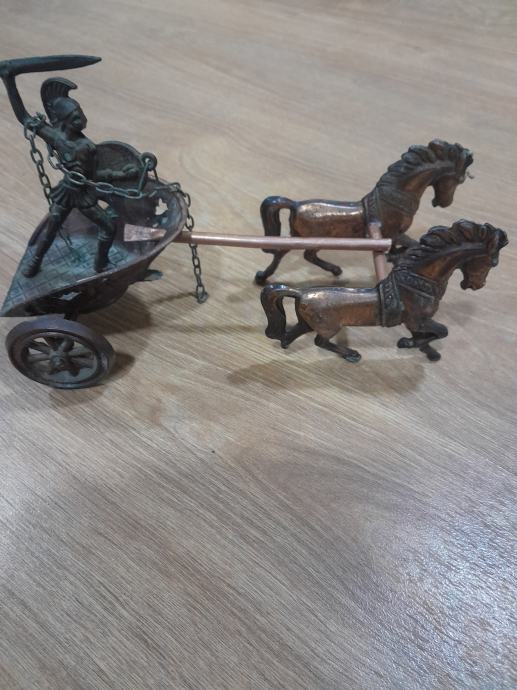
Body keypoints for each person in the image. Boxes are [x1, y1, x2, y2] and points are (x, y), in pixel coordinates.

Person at [2, 72, 138, 277]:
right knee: (54, 227)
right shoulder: (58, 138)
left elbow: (92, 176)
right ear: (64, 120)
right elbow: (24, 117)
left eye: (81, 114)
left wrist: (120, 175)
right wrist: (9, 81)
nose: (82, 119)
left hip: (82, 194)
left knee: (106, 227)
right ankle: (36, 262)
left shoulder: (86, 146)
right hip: (69, 192)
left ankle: (100, 264)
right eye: (76, 117)